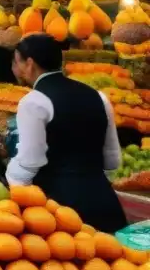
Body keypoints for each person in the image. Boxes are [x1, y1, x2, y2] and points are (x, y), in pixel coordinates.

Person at [7, 33, 126, 232]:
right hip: (104, 202)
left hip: (61, 209)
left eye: (16, 62)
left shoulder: (33, 101)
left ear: (29, 64)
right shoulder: (98, 96)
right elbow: (112, 161)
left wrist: (14, 195)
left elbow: (29, 162)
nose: (14, 69)